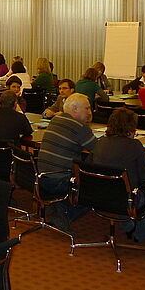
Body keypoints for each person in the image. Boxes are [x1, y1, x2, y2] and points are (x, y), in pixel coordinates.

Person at [85, 108, 145, 241]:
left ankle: (129, 226)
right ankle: (142, 234)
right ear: (131, 127)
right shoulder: (135, 145)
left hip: (99, 196)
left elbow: (89, 166)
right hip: (126, 200)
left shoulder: (100, 143)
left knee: (120, 190)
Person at [38, 93, 97, 229]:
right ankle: (64, 214)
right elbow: (98, 150)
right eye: (87, 108)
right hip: (60, 181)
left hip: (41, 178)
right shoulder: (80, 128)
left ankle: (58, 207)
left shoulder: (55, 120)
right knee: (96, 188)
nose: (90, 112)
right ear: (75, 109)